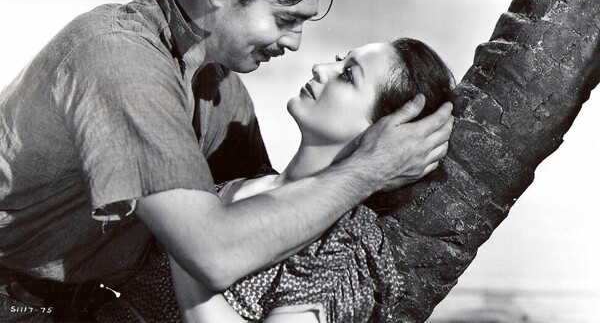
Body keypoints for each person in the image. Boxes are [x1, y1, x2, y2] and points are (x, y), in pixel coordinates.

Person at [0, 0, 453, 321]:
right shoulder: (122, 62)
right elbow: (213, 253)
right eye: (284, 19)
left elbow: (271, 217)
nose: (295, 43)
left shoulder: (219, 90)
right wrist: (371, 168)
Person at [94, 38, 455, 323]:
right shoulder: (237, 183)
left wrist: (183, 239)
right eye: (339, 60)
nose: (321, 68)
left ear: (383, 129)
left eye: (347, 75)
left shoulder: (345, 242)